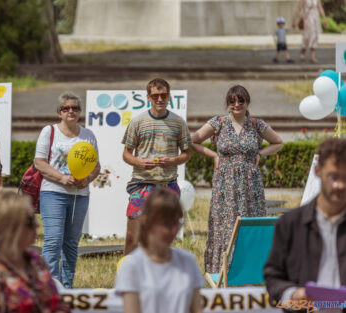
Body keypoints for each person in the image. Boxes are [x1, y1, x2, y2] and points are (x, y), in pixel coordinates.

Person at [191, 85, 283, 274]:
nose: (237, 104)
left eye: (241, 100)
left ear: (247, 102)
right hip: (225, 181)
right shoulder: (219, 123)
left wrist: (261, 153)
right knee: (224, 223)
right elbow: (194, 140)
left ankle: (250, 269)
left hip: (251, 183)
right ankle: (223, 270)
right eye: (232, 101)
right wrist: (214, 156)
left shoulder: (257, 125)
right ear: (227, 103)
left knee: (250, 220)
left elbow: (278, 142)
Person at [264, 138, 346, 305]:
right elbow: (273, 276)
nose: (339, 185)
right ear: (317, 171)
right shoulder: (290, 224)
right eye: (333, 177)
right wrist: (293, 295)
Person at [34, 92, 101, 289]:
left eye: (74, 108)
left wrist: (87, 179)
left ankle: (67, 287)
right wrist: (62, 177)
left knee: (71, 244)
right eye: (66, 108)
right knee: (53, 241)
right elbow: (39, 162)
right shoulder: (49, 132)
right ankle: (50, 288)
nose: (70, 111)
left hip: (79, 196)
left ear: (79, 112)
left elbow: (96, 165)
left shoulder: (88, 135)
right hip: (53, 192)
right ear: (59, 112)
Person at [0, 191, 70, 313]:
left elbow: (58, 305)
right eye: (30, 221)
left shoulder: (35, 260)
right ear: (9, 228)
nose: (37, 225)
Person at [121, 78, 192, 255]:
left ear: (169, 96)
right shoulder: (138, 122)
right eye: (155, 96)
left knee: (163, 238)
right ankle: (127, 278)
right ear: (148, 97)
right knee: (132, 237)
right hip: (142, 184)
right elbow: (126, 154)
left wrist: (173, 160)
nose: (159, 99)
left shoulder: (178, 122)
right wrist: (139, 162)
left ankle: (159, 277)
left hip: (168, 186)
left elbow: (186, 154)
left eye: (163, 95)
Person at [115, 188, 204, 313]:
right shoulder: (132, 266)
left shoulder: (188, 261)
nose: (172, 230)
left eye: (176, 223)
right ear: (146, 222)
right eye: (165, 223)